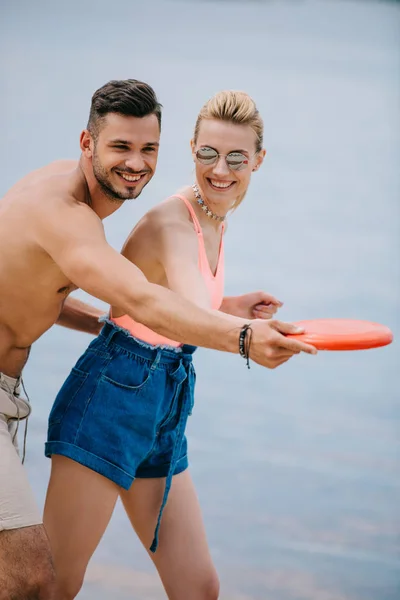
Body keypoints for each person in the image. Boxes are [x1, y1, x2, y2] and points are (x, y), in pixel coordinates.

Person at [0, 79, 316, 600]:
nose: (137, 163)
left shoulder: (93, 205)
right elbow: (153, 303)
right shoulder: (69, 216)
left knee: (197, 587)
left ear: (258, 160)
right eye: (120, 146)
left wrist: (120, 324)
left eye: (148, 149)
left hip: (144, 391)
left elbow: (44, 289)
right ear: (87, 143)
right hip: (114, 393)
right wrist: (243, 338)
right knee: (42, 581)